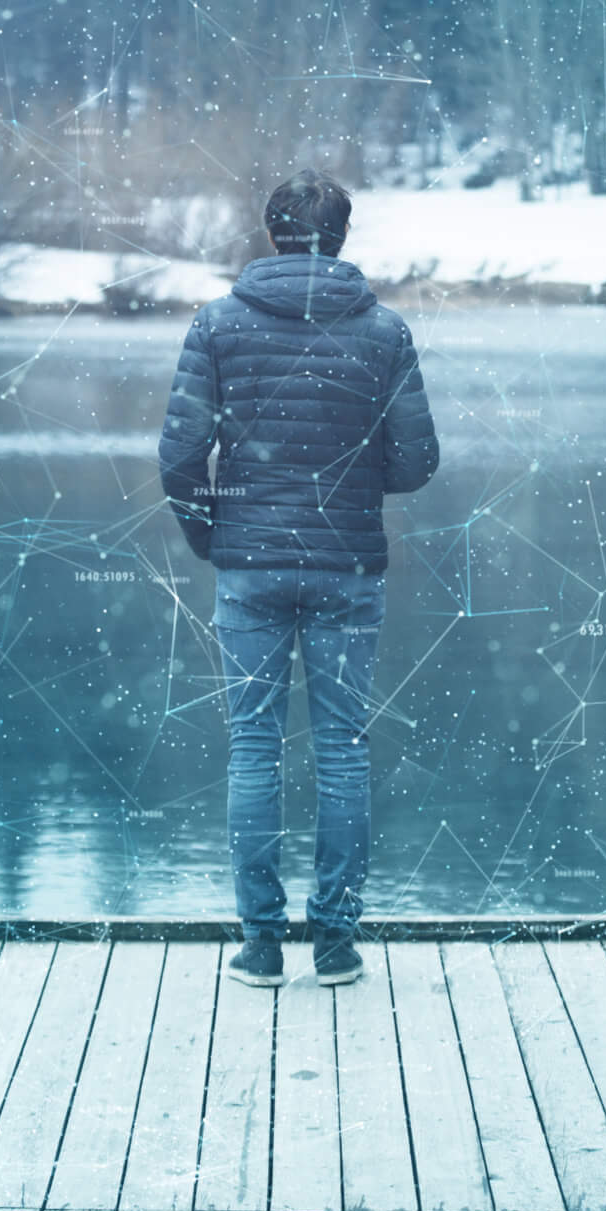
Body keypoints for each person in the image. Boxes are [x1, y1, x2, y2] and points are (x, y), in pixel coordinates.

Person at [159, 169, 439, 988]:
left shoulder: (218, 324)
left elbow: (181, 458)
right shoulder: (384, 332)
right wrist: (352, 485)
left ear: (271, 230)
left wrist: (215, 535)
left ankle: (259, 944)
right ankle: (338, 943)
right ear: (341, 235)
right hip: (347, 565)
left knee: (254, 747)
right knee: (344, 752)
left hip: (248, 566)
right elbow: (417, 460)